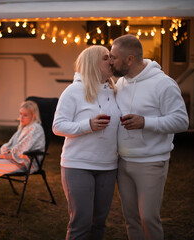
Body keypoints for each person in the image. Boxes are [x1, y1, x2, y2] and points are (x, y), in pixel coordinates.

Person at [109, 34, 189, 240]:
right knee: (131, 219)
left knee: (148, 218)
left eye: (114, 57)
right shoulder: (121, 83)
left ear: (129, 60)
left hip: (151, 162)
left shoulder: (163, 84)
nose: (110, 61)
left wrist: (145, 122)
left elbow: (181, 121)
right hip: (123, 162)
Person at [53, 45, 121, 240]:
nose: (112, 61)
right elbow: (57, 126)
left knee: (99, 223)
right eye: (106, 57)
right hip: (78, 165)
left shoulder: (115, 91)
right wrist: (88, 125)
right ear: (92, 63)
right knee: (80, 224)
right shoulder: (73, 91)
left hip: (108, 166)